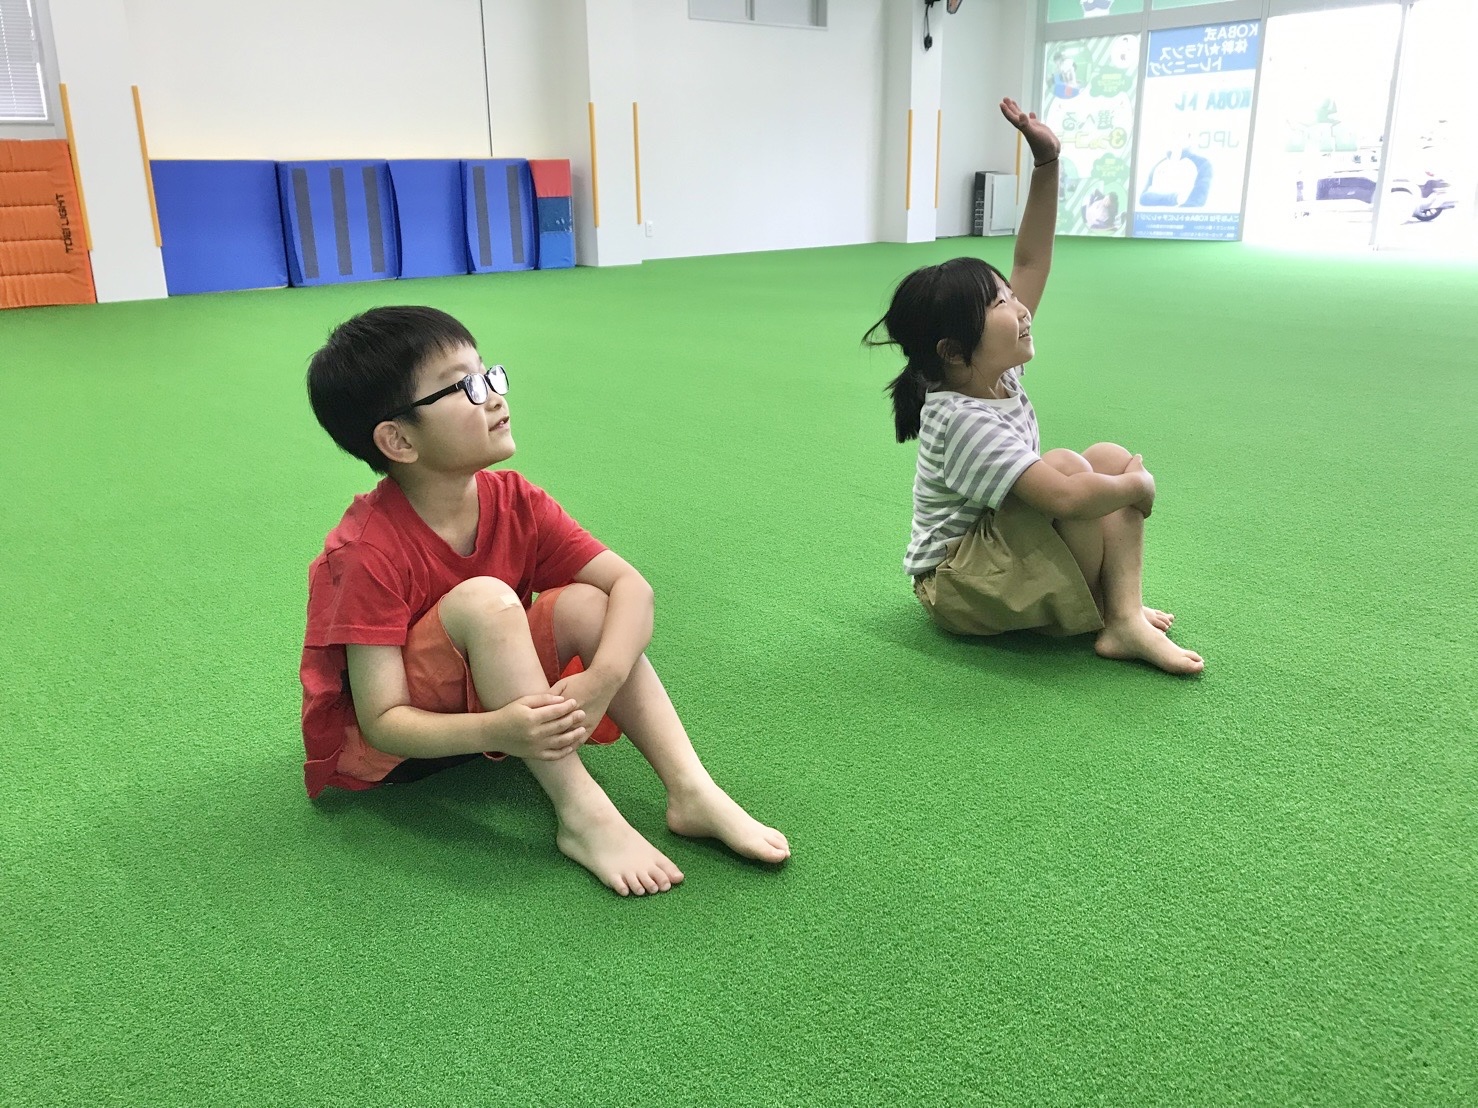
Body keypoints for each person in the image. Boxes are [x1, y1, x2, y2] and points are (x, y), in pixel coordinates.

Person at [300, 306, 790, 895]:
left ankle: (692, 791)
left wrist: (602, 679)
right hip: (417, 752)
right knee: (486, 600)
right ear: (398, 440)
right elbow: (382, 724)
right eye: (464, 386)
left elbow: (632, 588)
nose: (494, 396)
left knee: (589, 603)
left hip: (508, 714)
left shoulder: (514, 499)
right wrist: (497, 730)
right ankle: (584, 816)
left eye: (489, 374)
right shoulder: (365, 550)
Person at [864, 99, 1204, 676]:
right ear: (954, 351)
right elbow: (1065, 500)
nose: (1021, 309)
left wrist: (1047, 164)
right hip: (956, 584)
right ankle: (1114, 614)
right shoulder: (961, 420)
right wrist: (1138, 485)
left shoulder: (990, 371)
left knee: (1106, 457)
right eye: (1001, 304)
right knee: (1074, 472)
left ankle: (1123, 616)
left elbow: (1031, 260)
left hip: (994, 552)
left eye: (1010, 296)